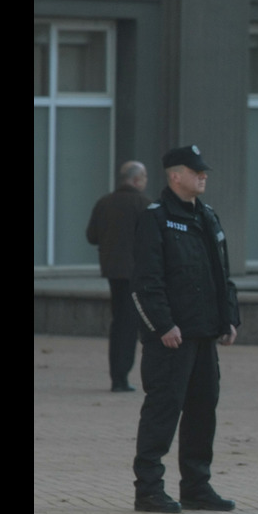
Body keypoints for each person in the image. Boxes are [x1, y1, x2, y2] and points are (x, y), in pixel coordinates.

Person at [130, 145, 240, 514]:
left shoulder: (206, 216)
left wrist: (229, 319)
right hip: (171, 339)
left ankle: (196, 486)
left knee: (202, 412)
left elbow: (221, 274)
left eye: (203, 171)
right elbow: (145, 282)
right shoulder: (156, 218)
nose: (203, 175)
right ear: (175, 176)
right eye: (196, 171)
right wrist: (163, 325)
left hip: (205, 333)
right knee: (162, 412)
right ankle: (148, 489)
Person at [86, 161, 151, 392]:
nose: (145, 181)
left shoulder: (104, 203)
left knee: (119, 322)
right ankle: (121, 377)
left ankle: (118, 375)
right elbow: (153, 240)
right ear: (136, 180)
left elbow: (91, 236)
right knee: (129, 325)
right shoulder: (143, 204)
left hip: (112, 272)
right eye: (144, 177)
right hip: (135, 273)